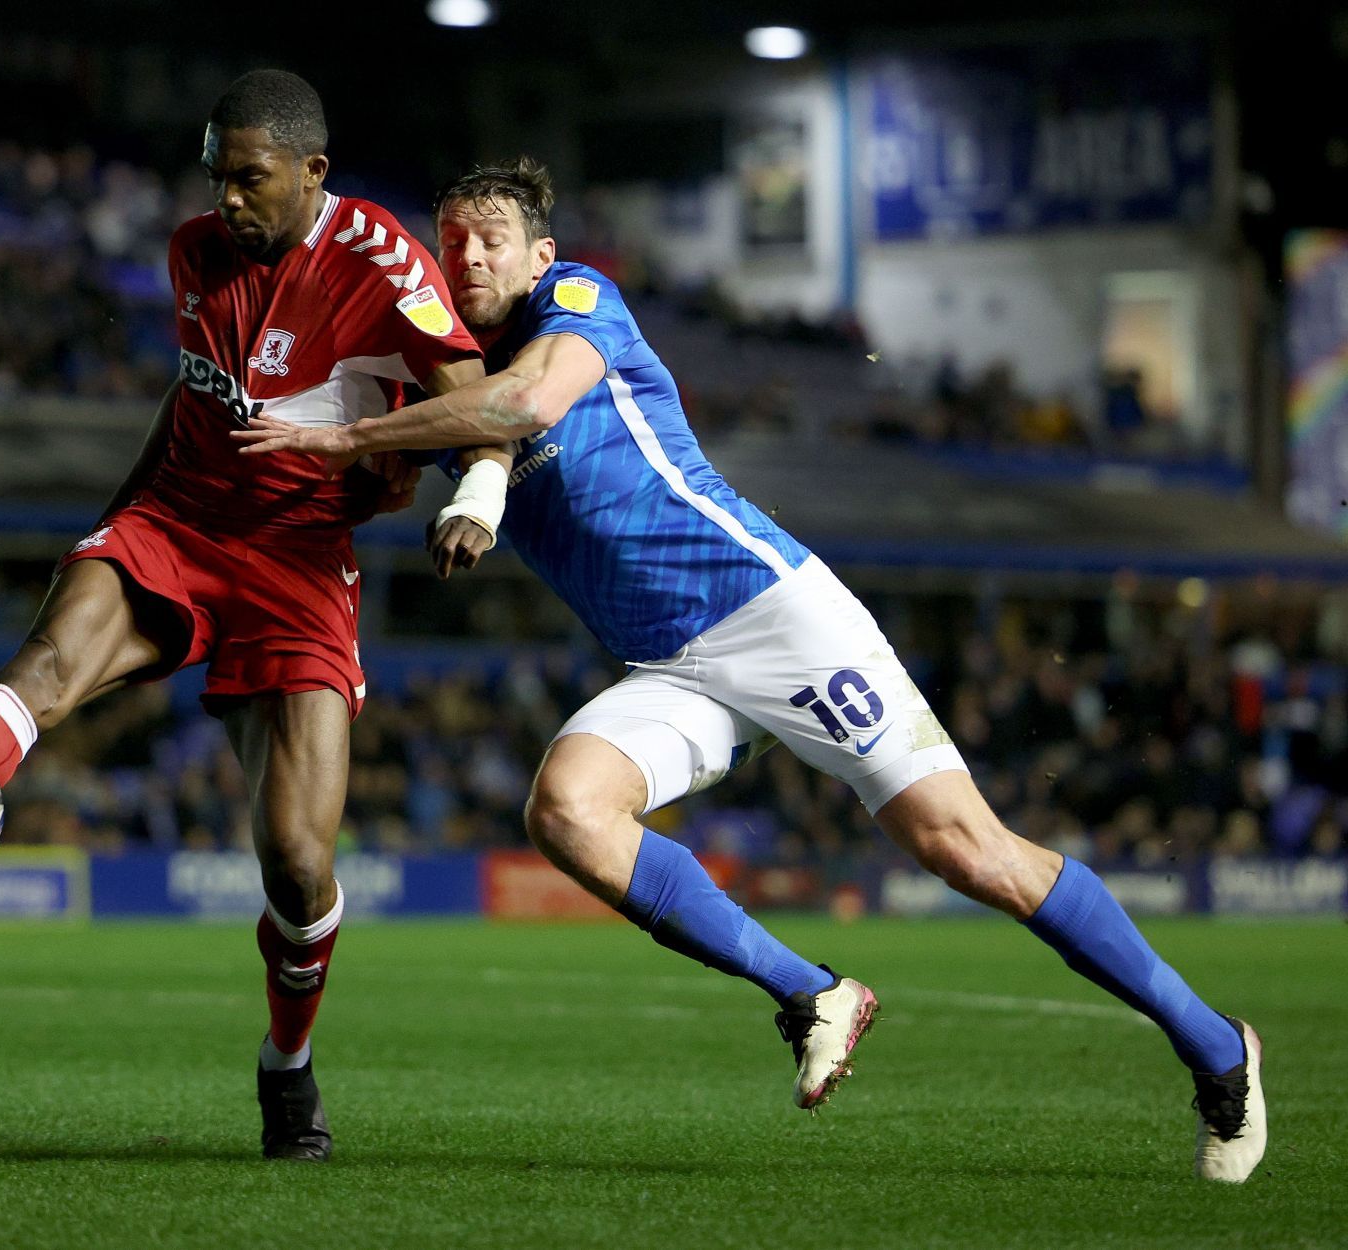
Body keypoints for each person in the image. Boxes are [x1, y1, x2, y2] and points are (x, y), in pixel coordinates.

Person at [234, 157, 1265, 1183]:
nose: (464, 256)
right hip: (671, 666)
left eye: (489, 236)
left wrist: (349, 436)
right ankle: (812, 992)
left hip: (773, 612)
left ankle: (1218, 1047)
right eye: (450, 238)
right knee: (567, 811)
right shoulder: (443, 368)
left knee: (966, 849)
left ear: (539, 252)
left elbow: (527, 408)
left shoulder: (578, 297)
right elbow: (454, 445)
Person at [0, 70, 485, 1161]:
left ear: (313, 173)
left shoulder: (378, 262)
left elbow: (477, 391)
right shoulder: (193, 254)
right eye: (217, 175)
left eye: (250, 178)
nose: (226, 198)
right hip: (178, 521)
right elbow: (193, 395)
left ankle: (287, 1065)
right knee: (47, 661)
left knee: (298, 864)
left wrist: (467, 487)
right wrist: (118, 524)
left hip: (299, 562)